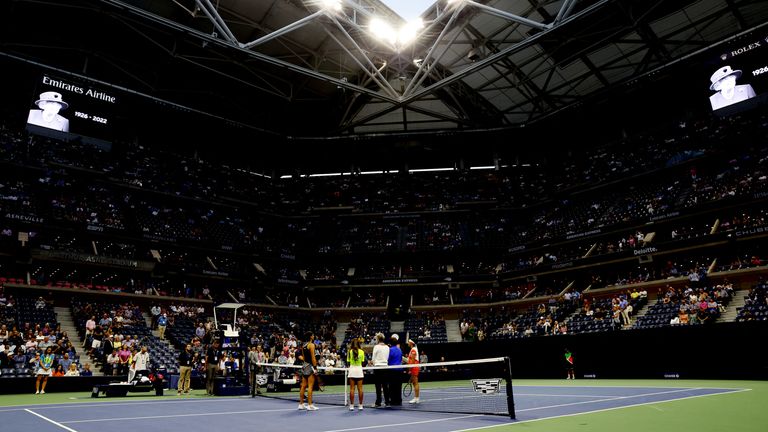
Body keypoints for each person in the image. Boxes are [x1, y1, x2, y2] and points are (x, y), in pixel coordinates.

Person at [297, 331, 319, 411]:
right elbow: (313, 358)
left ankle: (301, 404)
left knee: (303, 386)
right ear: (310, 337)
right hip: (310, 366)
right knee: (310, 386)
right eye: (313, 335)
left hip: (304, 366)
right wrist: (315, 367)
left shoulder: (303, 345)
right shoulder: (312, 345)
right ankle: (310, 405)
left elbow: (304, 357)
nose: (313, 336)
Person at [371, 332, 390, 408]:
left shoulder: (376, 347)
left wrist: (375, 363)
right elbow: (387, 358)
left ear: (378, 339)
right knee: (385, 386)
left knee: (378, 386)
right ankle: (387, 402)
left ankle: (378, 403)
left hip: (378, 368)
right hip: (385, 367)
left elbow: (373, 359)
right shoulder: (387, 347)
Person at [346, 337, 365, 411]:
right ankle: (360, 405)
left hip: (352, 370)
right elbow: (363, 362)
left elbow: (348, 362)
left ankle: (351, 405)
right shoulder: (362, 352)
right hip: (359, 370)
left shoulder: (349, 352)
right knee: (360, 389)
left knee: (352, 389)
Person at [387, 333, 403, 406]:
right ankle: (399, 400)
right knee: (398, 386)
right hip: (399, 370)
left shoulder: (390, 350)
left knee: (392, 386)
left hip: (392, 370)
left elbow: (388, 359)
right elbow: (400, 359)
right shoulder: (399, 350)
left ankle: (393, 400)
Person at [406, 339, 420, 404]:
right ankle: (416, 398)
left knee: (415, 382)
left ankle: (416, 398)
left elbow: (413, 360)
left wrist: (409, 369)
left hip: (414, 367)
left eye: (408, 342)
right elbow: (410, 360)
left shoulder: (413, 349)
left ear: (411, 343)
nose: (407, 343)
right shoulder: (413, 349)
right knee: (414, 383)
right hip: (414, 367)